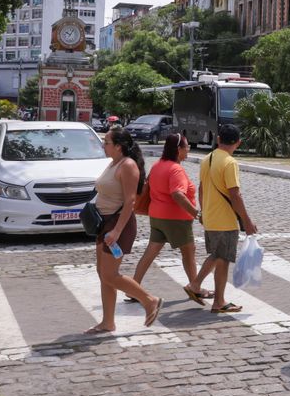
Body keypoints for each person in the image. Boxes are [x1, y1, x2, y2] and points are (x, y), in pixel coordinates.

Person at [86, 128, 162, 334]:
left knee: (110, 275)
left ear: (118, 146)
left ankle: (149, 300)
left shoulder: (128, 165)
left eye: (107, 142)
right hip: (105, 223)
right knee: (103, 273)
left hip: (119, 224)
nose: (103, 145)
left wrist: (117, 231)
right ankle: (107, 322)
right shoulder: (113, 163)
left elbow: (130, 201)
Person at [127, 134, 215, 305]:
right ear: (178, 149)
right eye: (186, 146)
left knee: (150, 252)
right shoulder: (176, 169)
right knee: (188, 253)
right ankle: (195, 287)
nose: (188, 149)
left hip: (157, 216)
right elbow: (177, 194)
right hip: (176, 219)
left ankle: (133, 287)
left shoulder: (158, 165)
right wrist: (196, 213)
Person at [189, 124, 258, 313]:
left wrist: (204, 212)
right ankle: (218, 301)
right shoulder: (230, 162)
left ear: (218, 139)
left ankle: (195, 285)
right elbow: (235, 195)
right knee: (223, 260)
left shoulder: (207, 159)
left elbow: (201, 189)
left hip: (210, 217)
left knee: (217, 255)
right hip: (225, 220)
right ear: (238, 142)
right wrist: (247, 221)